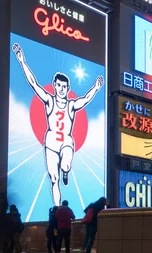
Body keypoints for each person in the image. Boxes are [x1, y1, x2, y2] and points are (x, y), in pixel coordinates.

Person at [12, 43, 104, 206]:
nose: (61, 89)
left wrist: (96, 88)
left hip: (66, 142)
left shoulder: (71, 105)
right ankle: (57, 208)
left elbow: (85, 99)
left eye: (64, 86)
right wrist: (22, 61)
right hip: (51, 142)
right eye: (59, 85)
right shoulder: (49, 100)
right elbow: (34, 84)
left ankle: (66, 171)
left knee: (66, 164)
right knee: (54, 179)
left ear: (68, 88)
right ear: (54, 85)